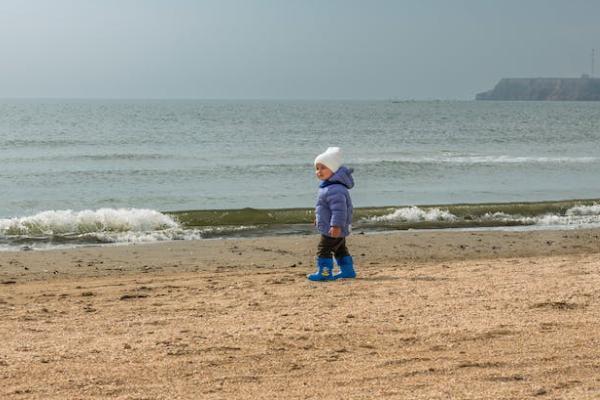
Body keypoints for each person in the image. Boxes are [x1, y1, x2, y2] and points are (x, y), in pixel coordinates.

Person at [308, 147, 356, 281]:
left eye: (323, 168)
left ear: (333, 169)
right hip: (333, 226)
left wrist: (336, 226)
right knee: (340, 249)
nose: (319, 171)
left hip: (333, 228)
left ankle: (324, 273)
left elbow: (340, 210)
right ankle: (348, 271)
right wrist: (318, 218)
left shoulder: (334, 189)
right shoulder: (329, 187)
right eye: (317, 168)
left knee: (323, 249)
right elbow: (324, 208)